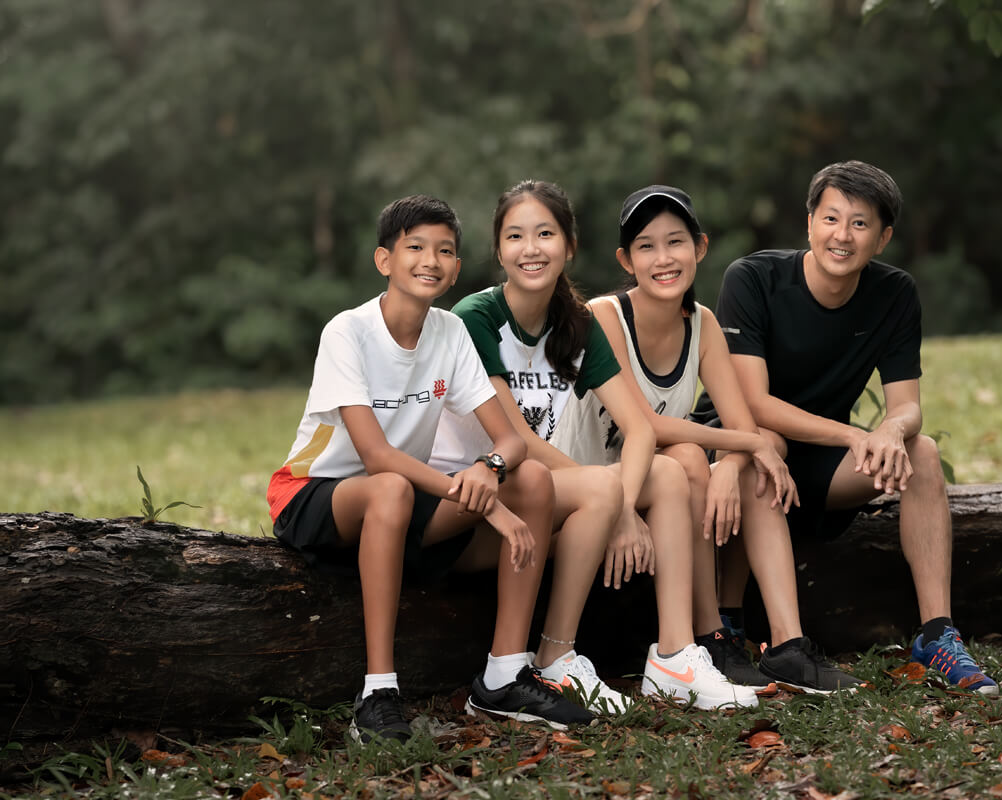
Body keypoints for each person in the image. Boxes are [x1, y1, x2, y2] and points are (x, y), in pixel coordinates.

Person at [266, 194, 594, 742]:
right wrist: (487, 506)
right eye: (414, 247)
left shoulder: (449, 331)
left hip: (401, 510)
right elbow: (375, 458)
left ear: (457, 268)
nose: (430, 260)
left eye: (445, 251)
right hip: (315, 495)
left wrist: (488, 469)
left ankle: (505, 674)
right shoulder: (347, 331)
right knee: (391, 486)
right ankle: (378, 692)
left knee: (533, 478)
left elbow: (510, 440)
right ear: (383, 260)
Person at [434, 179, 757, 711]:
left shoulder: (577, 325)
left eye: (545, 233)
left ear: (569, 245)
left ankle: (674, 656)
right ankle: (553, 657)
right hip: (480, 514)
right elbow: (514, 439)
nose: (531, 248)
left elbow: (642, 428)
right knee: (603, 489)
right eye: (516, 236)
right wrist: (614, 505)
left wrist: (623, 505)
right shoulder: (478, 317)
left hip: (551, 503)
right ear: (498, 250)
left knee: (671, 473)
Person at [709, 160, 998, 694]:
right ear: (810, 221)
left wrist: (892, 430)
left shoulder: (894, 294)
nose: (842, 236)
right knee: (762, 447)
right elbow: (752, 404)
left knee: (924, 452)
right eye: (831, 218)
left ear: (883, 238)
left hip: (819, 459)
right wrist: (854, 434)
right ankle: (762, 636)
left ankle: (937, 634)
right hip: (737, 439)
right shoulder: (752, 279)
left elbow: (907, 406)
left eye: (860, 223)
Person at [589, 185, 861, 694]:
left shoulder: (704, 325)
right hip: (598, 477)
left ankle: (787, 646)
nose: (664, 258)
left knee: (748, 462)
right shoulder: (605, 316)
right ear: (626, 259)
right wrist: (747, 445)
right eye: (647, 246)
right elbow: (643, 424)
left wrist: (738, 461)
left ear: (701, 247)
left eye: (676, 242)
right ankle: (708, 633)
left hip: (659, 482)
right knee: (694, 453)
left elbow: (748, 430)